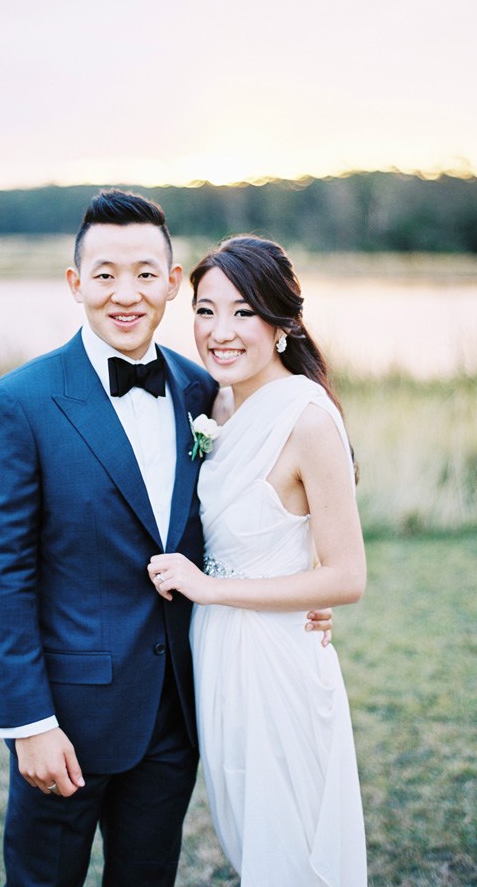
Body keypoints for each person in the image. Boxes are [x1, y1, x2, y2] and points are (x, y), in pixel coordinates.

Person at [0, 191, 332, 886]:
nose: (124, 293)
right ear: (76, 284)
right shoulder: (16, 403)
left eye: (144, 273)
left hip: (176, 716)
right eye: (104, 274)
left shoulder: (207, 392)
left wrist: (307, 583)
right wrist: (27, 721)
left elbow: (255, 506)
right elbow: (1, 575)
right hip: (66, 722)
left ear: (171, 283)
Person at [148, 236, 368, 885]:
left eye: (243, 312)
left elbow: (347, 575)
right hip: (217, 656)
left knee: (290, 850)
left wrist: (208, 590)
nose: (220, 332)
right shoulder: (212, 403)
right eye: (206, 310)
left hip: (277, 659)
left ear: (283, 323)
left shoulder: (306, 419)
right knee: (247, 837)